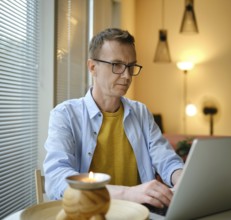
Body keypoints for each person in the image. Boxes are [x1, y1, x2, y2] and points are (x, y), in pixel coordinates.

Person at [43, 28, 184, 208]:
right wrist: (128, 193)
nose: (126, 76)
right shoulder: (65, 115)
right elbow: (57, 179)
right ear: (93, 67)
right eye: (117, 65)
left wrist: (181, 179)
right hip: (89, 213)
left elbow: (166, 160)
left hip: (139, 215)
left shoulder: (141, 112)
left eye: (131, 66)